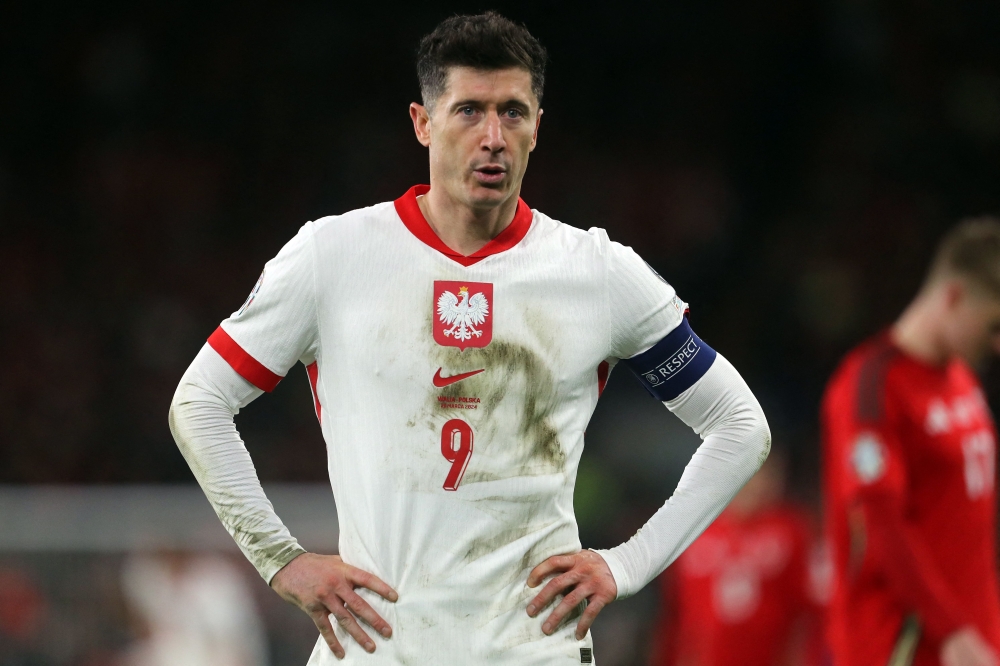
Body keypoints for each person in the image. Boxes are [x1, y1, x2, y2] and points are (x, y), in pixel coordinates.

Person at [168, 12, 770, 665]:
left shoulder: (598, 273)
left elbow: (740, 426)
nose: (493, 137)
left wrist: (627, 565)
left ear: (538, 126)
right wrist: (281, 560)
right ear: (423, 123)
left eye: (513, 113)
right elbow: (199, 402)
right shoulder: (332, 257)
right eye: (468, 111)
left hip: (532, 650)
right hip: (377, 650)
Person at [821, 218, 1000, 666]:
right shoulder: (872, 386)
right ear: (954, 296)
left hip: (969, 642)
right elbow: (880, 523)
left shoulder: (961, 379)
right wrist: (952, 630)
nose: (997, 343)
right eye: (993, 324)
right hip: (899, 644)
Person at [649, 450, 827, 666]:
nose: (754, 483)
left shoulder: (792, 530)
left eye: (762, 472)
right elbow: (677, 617)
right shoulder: (692, 531)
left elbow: (809, 613)